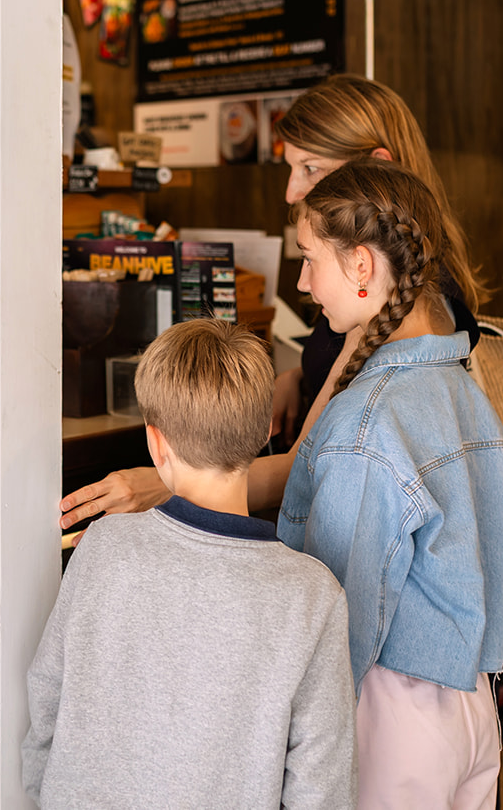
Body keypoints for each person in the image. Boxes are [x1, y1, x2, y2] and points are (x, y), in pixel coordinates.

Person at [57, 73, 484, 529]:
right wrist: (298, 376)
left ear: (375, 168)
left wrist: (166, 483)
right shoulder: (395, 292)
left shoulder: (395, 305)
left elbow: (303, 469)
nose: (292, 191)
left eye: (311, 169)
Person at [22, 319, 356, 810]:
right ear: (266, 430)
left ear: (156, 444)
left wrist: (43, 792)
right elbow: (320, 786)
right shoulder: (312, 595)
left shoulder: (103, 546)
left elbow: (47, 694)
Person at [280, 160, 503, 808]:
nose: (303, 282)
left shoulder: (366, 419)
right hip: (472, 699)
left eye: (309, 259)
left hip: (393, 710)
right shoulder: (463, 390)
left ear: (362, 265)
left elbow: (344, 608)